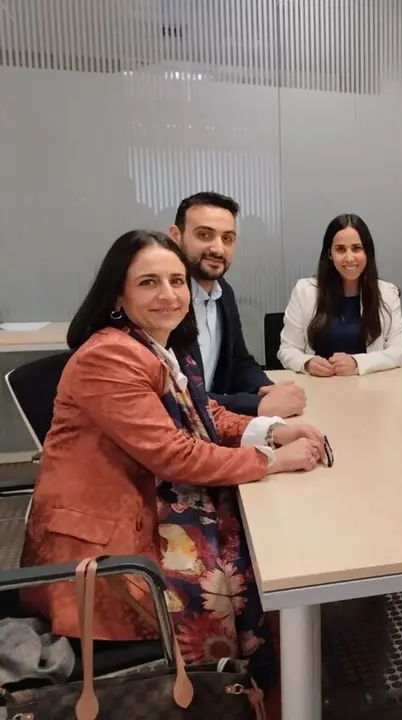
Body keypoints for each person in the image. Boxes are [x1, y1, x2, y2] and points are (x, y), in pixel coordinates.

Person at [19, 230, 330, 692]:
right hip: (106, 554)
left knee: (272, 541)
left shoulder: (162, 345)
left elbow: (206, 414)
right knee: (253, 571)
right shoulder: (108, 356)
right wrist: (274, 460)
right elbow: (175, 455)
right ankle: (243, 691)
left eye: (177, 281)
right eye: (148, 283)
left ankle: (280, 681)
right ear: (118, 295)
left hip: (153, 503)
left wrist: (274, 430)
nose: (169, 295)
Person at [169, 191, 306, 417]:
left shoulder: (223, 292)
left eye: (227, 238)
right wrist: (255, 406)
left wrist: (264, 387)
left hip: (216, 426)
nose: (218, 249)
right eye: (204, 235)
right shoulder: (164, 302)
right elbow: (173, 393)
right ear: (176, 236)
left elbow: (238, 360)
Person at [277, 213, 402, 377]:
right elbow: (287, 349)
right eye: (340, 249)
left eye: (356, 248)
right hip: (317, 389)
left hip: (370, 390)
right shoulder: (304, 291)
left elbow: (401, 351)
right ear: (330, 254)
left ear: (367, 252)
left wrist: (357, 363)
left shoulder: (388, 293)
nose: (349, 258)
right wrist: (307, 363)